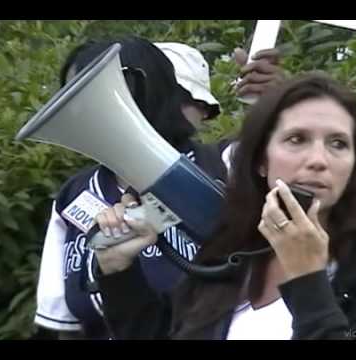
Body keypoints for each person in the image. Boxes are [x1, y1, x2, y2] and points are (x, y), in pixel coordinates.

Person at [94, 72, 356, 340]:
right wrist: (118, 273)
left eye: (338, 143)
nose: (318, 160)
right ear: (261, 162)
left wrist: (307, 276)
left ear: (355, 164)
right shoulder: (233, 246)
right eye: (296, 139)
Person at [34, 37, 284, 339]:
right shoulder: (73, 196)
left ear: (146, 88)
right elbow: (64, 325)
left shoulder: (229, 164)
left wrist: (282, 106)